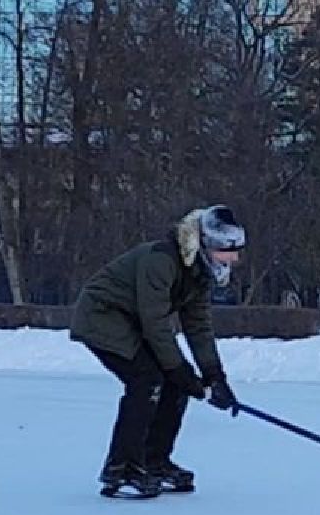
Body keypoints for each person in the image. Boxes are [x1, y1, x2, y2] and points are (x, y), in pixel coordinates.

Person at [69, 205, 244, 498]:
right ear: (204, 243)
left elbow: (198, 327)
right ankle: (121, 467)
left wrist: (215, 376)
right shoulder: (162, 260)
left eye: (236, 250)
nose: (234, 258)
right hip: (103, 317)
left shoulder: (198, 273)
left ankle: (153, 461)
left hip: (133, 323)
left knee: (174, 385)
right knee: (147, 379)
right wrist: (182, 372)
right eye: (226, 249)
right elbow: (156, 324)